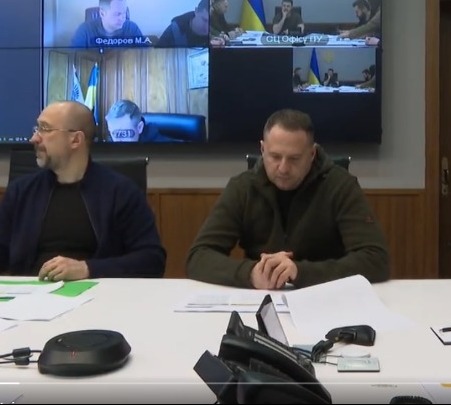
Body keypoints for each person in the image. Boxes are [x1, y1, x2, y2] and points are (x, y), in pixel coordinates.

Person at [186, 109, 390, 289]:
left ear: (312, 154)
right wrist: (251, 273)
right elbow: (198, 256)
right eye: (275, 157)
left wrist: (300, 272)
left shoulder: (340, 186)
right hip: (260, 298)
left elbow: (376, 260)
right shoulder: (242, 188)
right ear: (262, 150)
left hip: (323, 297)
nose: (283, 168)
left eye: (294, 159)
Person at [0, 101, 166, 280]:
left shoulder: (121, 192)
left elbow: (152, 260)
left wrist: (88, 269)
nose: (34, 138)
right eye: (36, 129)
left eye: (45, 129)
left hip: (98, 292)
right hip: (31, 292)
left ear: (76, 140)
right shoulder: (21, 192)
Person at [70, 0, 145, 48]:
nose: (122, 18)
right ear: (102, 13)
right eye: (117, 14)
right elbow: (74, 58)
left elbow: (145, 54)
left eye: (124, 13)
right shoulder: (84, 30)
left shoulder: (132, 28)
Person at [104, 99, 178, 143]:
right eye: (115, 134)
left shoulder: (163, 148)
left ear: (140, 128)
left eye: (125, 134)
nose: (118, 141)